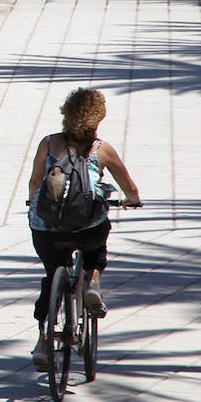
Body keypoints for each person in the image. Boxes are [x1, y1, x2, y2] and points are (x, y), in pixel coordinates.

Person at [27, 87, 141, 369]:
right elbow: (131, 188)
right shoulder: (102, 150)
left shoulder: (48, 143)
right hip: (86, 227)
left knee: (51, 274)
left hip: (47, 230)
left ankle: (44, 340)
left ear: (66, 113)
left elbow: (34, 182)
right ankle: (92, 282)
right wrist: (131, 201)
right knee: (96, 245)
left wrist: (33, 203)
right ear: (98, 119)